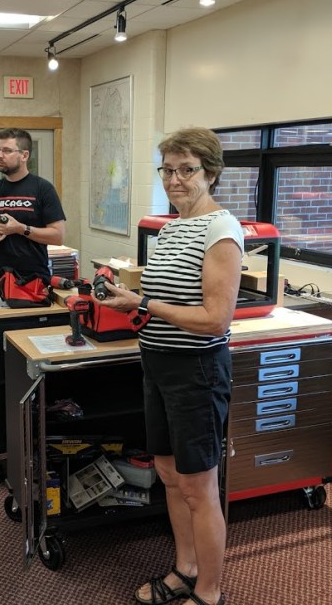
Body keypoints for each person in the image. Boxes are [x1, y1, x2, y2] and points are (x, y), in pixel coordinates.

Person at [95, 127, 243, 605]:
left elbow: (214, 318)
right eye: (167, 170)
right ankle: (186, 568)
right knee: (169, 473)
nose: (175, 180)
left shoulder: (222, 229)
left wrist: (146, 305)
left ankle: (209, 591)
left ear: (211, 173)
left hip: (196, 370)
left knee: (199, 486)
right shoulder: (172, 226)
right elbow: (162, 301)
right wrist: (130, 304)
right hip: (157, 363)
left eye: (187, 170)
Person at [0, 128, 66, 295]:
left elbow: (58, 236)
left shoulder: (43, 189)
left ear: (24, 156)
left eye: (7, 150)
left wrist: (21, 229)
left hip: (33, 280)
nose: (0, 155)